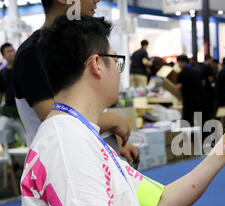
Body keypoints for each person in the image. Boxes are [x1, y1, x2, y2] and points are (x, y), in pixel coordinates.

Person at [22, 15, 225, 206]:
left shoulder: (80, 135)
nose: (119, 71)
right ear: (97, 64)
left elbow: (163, 202)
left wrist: (220, 152)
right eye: (116, 60)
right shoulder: (67, 143)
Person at [12, 0, 138, 164]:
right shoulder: (32, 54)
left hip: (92, 157)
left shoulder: (78, 46)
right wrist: (111, 120)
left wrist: (112, 143)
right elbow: (56, 118)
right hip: (62, 165)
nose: (97, 0)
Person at [0, 43, 26, 145]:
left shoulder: (22, 69)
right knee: (5, 141)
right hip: (8, 111)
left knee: (27, 140)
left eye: (13, 50)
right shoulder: (2, 73)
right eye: (8, 51)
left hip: (22, 112)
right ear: (3, 55)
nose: (12, 53)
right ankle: (12, 161)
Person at [176, 54, 205, 125]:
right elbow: (203, 83)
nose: (178, 65)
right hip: (199, 99)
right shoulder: (197, 71)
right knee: (199, 120)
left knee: (187, 120)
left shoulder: (182, 73)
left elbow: (178, 87)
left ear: (182, 62)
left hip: (188, 100)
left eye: (179, 63)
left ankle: (188, 135)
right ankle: (200, 135)